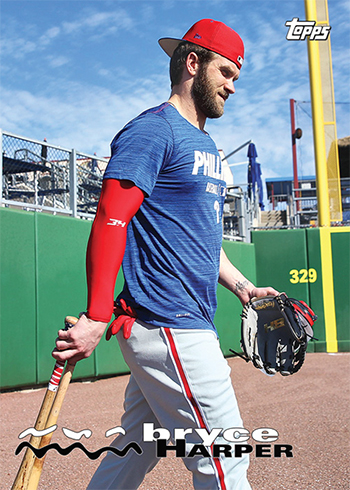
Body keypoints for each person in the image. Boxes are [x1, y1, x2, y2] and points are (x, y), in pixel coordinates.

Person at [52, 19, 278, 490]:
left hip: (185, 319)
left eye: (237, 77)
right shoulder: (153, 131)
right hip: (168, 321)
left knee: (138, 449)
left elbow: (202, 241)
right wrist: (96, 314)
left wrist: (245, 289)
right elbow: (111, 218)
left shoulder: (207, 146)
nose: (233, 86)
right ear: (193, 64)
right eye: (227, 73)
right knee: (225, 458)